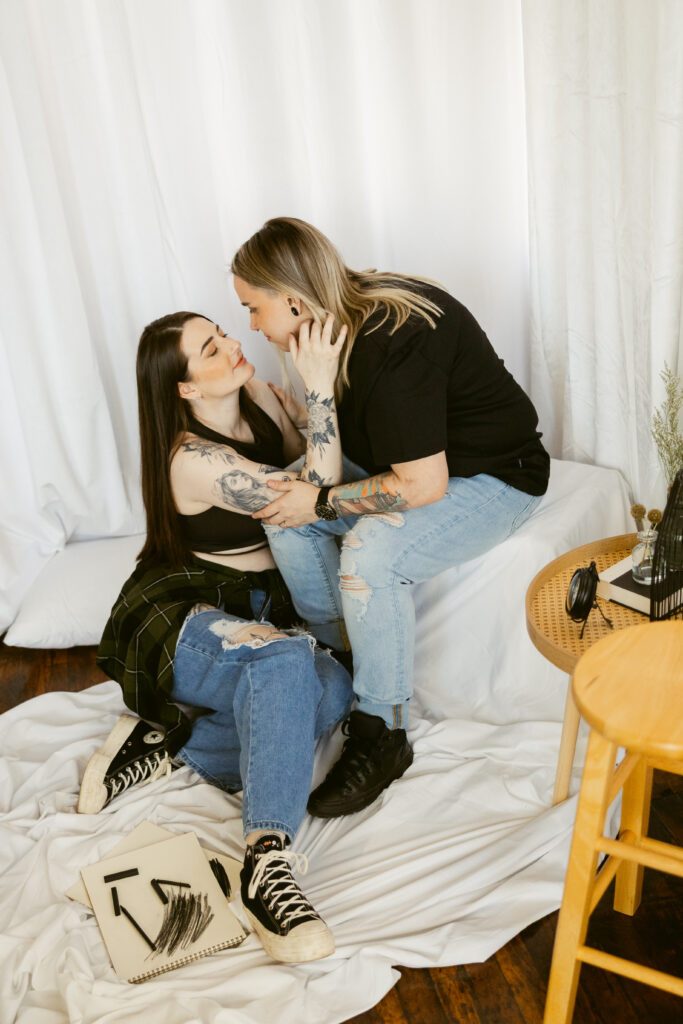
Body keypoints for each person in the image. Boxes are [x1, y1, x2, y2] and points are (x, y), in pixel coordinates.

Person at [231, 216, 550, 820]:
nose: (250, 324)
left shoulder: (394, 340)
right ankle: (338, 662)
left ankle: (384, 730)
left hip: (491, 474)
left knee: (368, 556)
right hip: (404, 457)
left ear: (294, 299)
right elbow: (324, 471)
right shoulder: (325, 326)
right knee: (282, 510)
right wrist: (317, 401)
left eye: (252, 307)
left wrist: (322, 503)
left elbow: (422, 485)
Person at [78, 309, 353, 964]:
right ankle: (267, 867)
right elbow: (317, 490)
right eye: (211, 348)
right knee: (286, 663)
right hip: (184, 615)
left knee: (334, 691)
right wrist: (316, 383)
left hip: (262, 610)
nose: (233, 344)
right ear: (184, 388)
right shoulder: (193, 459)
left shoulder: (255, 397)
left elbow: (316, 456)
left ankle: (173, 737)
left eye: (224, 332)